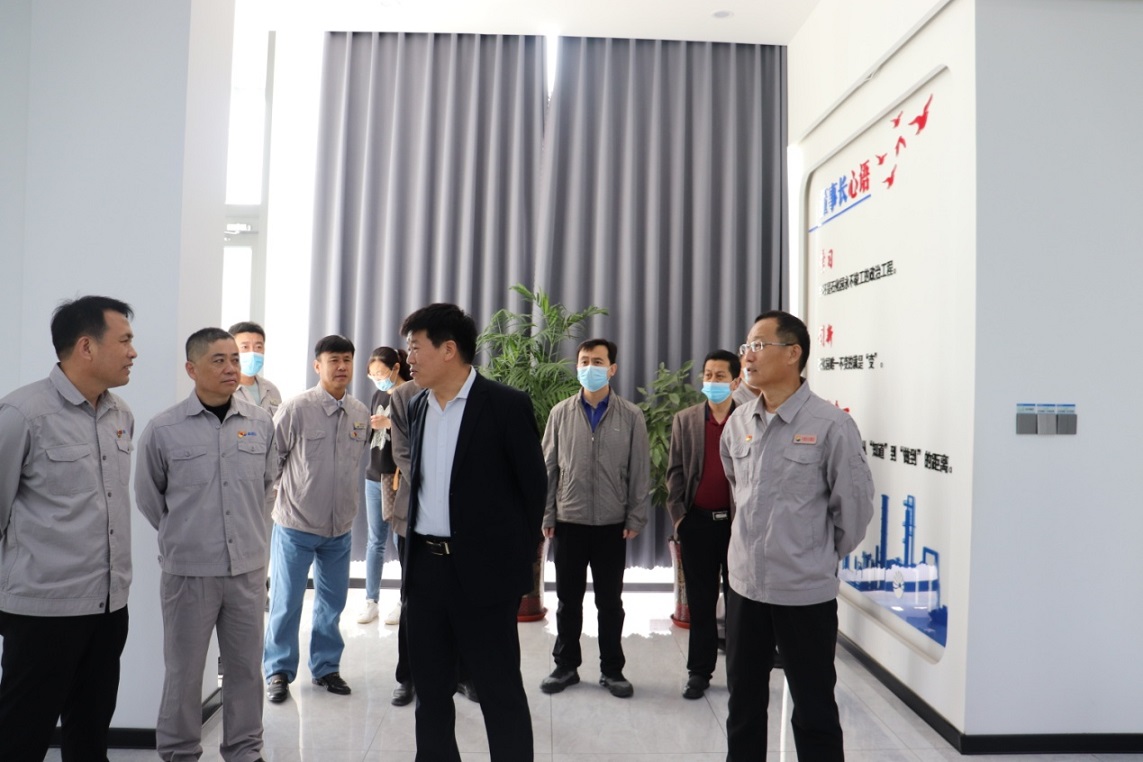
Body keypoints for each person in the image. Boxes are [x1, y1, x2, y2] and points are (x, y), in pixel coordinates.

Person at [720, 311, 874, 761]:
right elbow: (738, 490)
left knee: (813, 709)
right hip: (745, 587)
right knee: (743, 704)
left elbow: (854, 511)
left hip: (804, 592)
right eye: (746, 346)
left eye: (758, 345)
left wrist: (812, 554)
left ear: (793, 354)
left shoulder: (831, 425)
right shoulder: (739, 422)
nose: (747, 356)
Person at [401, 303, 546, 760]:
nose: (409, 358)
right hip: (426, 572)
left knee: (499, 693)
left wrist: (512, 568)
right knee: (430, 693)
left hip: (484, 576)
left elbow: (533, 491)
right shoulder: (418, 405)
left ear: (449, 350)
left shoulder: (505, 405)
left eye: (415, 348)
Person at [0, 295, 136, 761]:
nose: (133, 352)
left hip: (108, 606)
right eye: (124, 340)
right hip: (43, 611)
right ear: (86, 347)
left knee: (90, 733)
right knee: (21, 735)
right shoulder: (22, 414)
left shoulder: (121, 415)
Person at [135, 328, 277, 762]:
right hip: (189, 574)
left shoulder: (260, 422)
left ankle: (245, 751)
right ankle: (179, 753)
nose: (231, 367)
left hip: (246, 572)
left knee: (245, 670)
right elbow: (149, 498)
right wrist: (189, 535)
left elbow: (267, 487)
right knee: (184, 673)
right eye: (218, 360)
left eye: (234, 358)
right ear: (191, 369)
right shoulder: (164, 430)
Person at [540, 338, 651, 699]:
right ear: (577, 367)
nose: (590, 367)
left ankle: (612, 669)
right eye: (585, 361)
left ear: (612, 369)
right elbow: (549, 468)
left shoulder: (630, 416)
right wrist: (547, 513)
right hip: (568, 521)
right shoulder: (560, 413)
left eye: (598, 361)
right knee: (567, 601)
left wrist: (634, 516)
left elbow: (640, 471)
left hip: (611, 525)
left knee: (610, 603)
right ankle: (565, 666)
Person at [263, 335, 371, 703]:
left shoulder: (359, 412)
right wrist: (283, 498)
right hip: (296, 525)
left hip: (339, 529)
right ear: (317, 366)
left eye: (347, 360)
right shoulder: (296, 408)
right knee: (287, 602)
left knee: (332, 603)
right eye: (333, 360)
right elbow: (271, 461)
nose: (341, 367)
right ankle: (278, 671)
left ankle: (326, 667)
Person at [665, 349, 740, 700]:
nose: (712, 381)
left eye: (720, 376)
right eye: (707, 375)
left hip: (739, 526)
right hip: (698, 523)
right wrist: (681, 518)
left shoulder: (749, 419)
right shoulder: (686, 420)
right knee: (701, 600)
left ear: (736, 382)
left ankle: (740, 673)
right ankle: (699, 672)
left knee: (740, 603)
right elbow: (675, 472)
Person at [357, 346, 411, 625]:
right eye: (373, 375)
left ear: (396, 368)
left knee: (401, 540)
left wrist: (389, 423)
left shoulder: (411, 393)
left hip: (398, 476)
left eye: (381, 373)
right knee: (375, 541)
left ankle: (404, 601)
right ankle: (371, 601)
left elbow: (416, 432)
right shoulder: (378, 394)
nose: (377, 379)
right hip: (374, 473)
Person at [382, 374, 420, 707]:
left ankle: (461, 674)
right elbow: (402, 452)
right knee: (412, 600)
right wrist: (437, 482)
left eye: (417, 349)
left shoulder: (472, 391)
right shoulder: (404, 395)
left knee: (461, 601)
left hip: (461, 520)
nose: (412, 358)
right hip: (414, 516)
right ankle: (407, 676)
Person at [229, 321, 283, 418]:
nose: (253, 353)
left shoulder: (271, 390)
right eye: (245, 347)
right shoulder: (220, 391)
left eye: (258, 347)